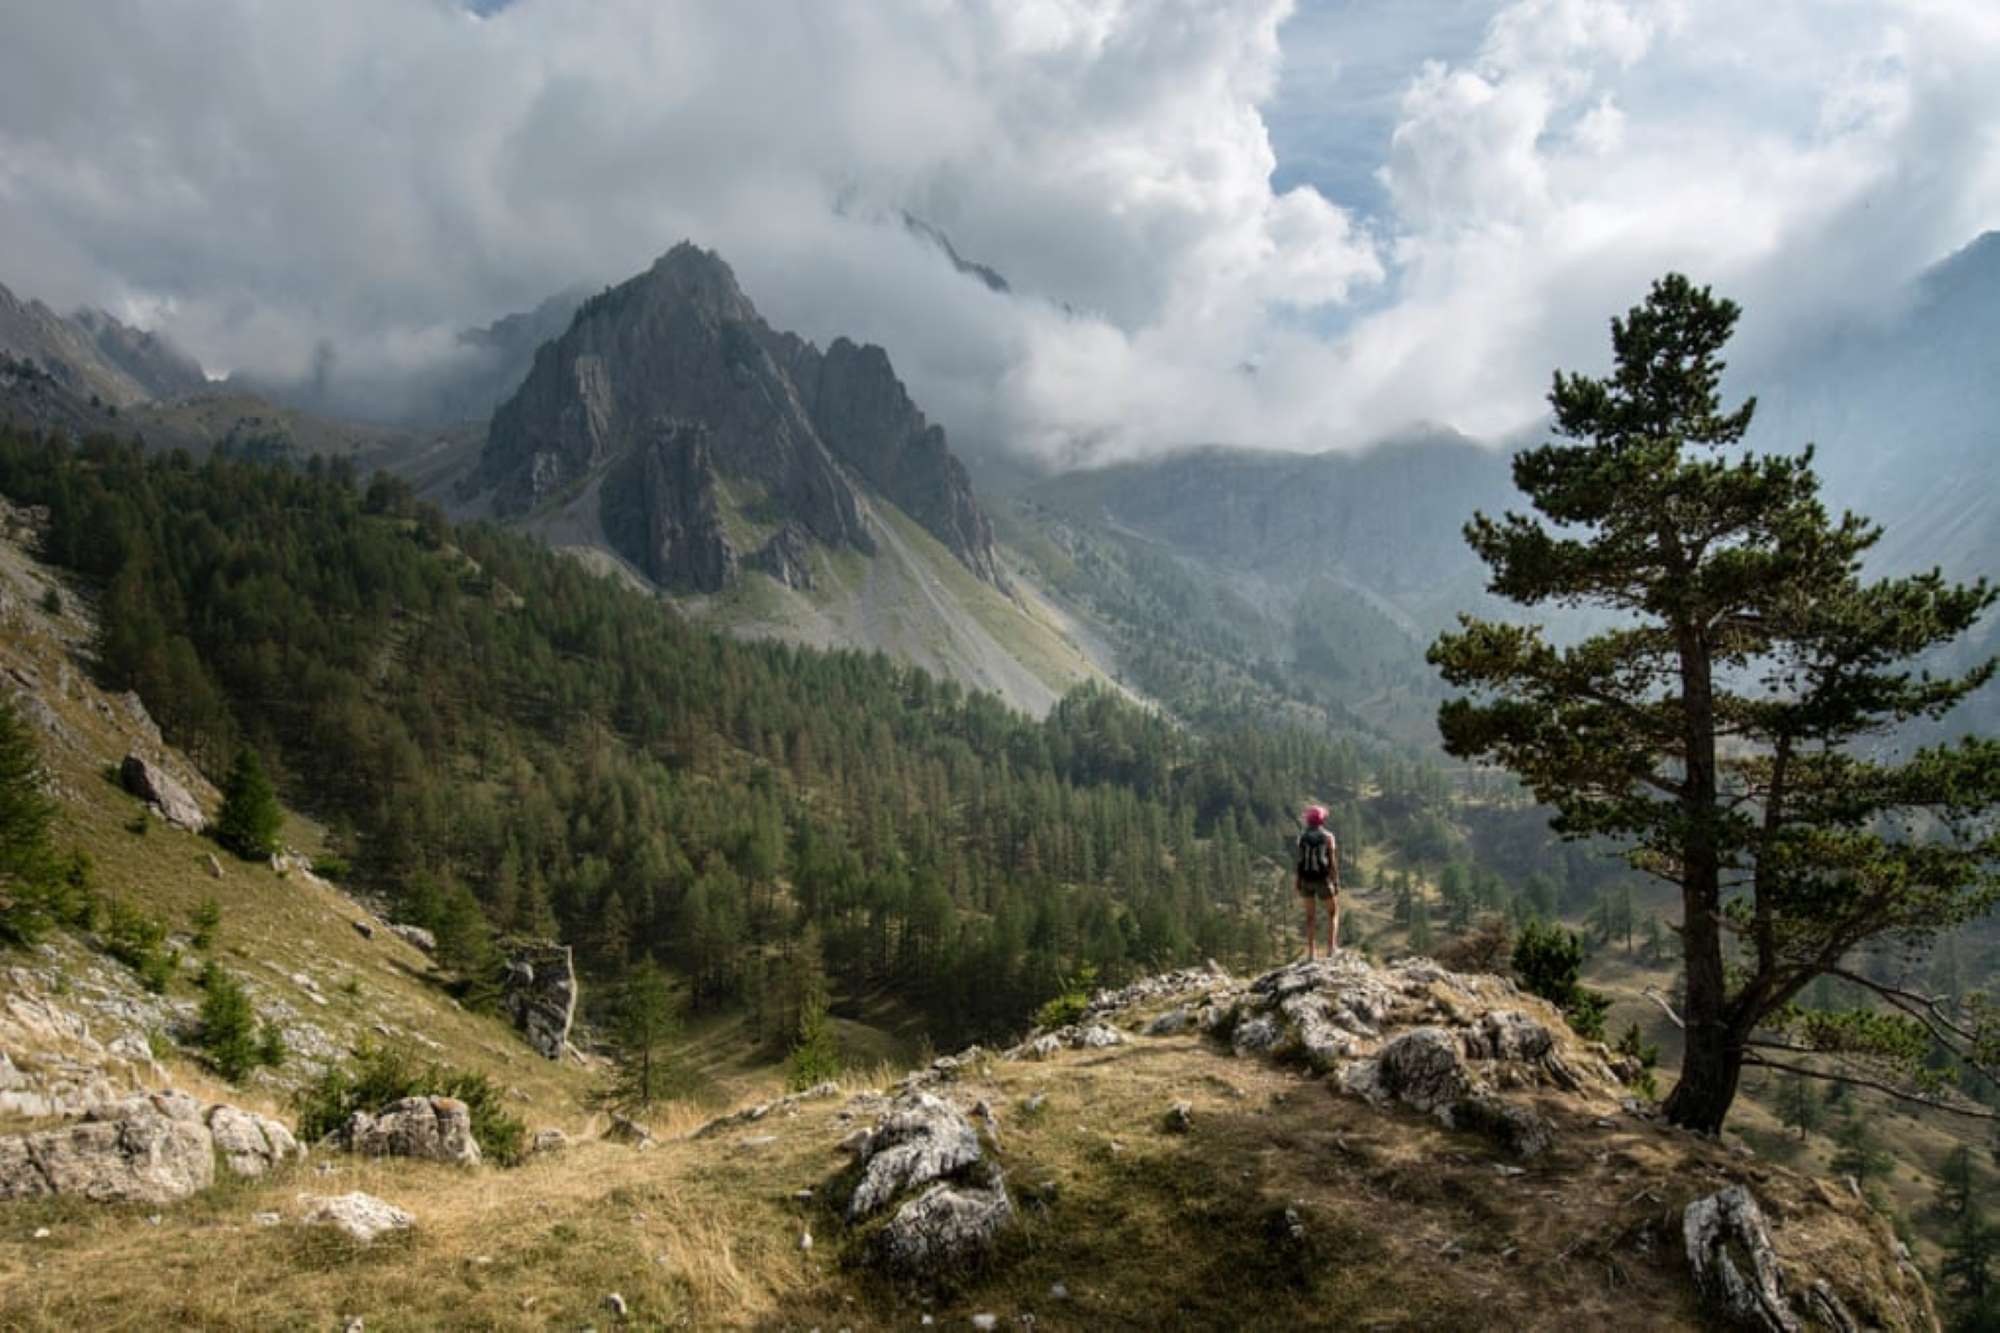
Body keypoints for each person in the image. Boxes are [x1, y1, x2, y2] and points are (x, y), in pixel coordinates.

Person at [1295, 805, 1341, 959]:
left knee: (1310, 917)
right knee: (1333, 913)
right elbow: (1332, 862)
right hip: (1322, 880)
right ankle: (1331, 949)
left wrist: (1298, 880)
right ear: (1322, 819)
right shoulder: (1328, 837)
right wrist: (1335, 881)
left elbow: (1300, 860)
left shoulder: (1302, 837)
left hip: (1306, 879)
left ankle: (1311, 953)